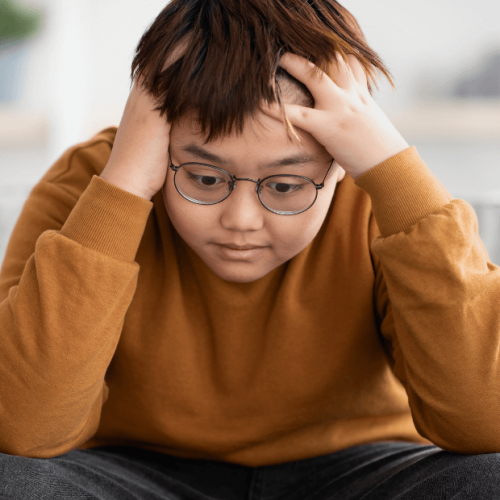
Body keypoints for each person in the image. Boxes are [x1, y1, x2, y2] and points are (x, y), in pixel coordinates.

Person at [1, 0, 499, 498]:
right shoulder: (95, 183)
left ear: (341, 161)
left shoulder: (381, 197)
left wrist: (391, 169)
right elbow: (23, 425)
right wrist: (126, 182)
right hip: (134, 469)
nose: (240, 221)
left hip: (358, 467)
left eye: (285, 185)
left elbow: (485, 418)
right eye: (203, 177)